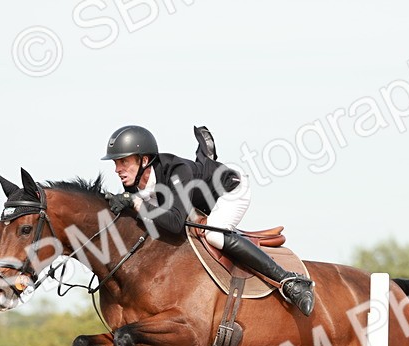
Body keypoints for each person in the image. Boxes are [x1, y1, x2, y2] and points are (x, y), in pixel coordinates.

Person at [101, 125, 315, 316]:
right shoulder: (134, 183)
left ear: (144, 160)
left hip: (230, 189)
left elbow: (175, 223)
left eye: (123, 162)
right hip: (195, 200)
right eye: (116, 163)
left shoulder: (176, 171)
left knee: (214, 234)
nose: (117, 169)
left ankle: (289, 281)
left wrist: (136, 203)